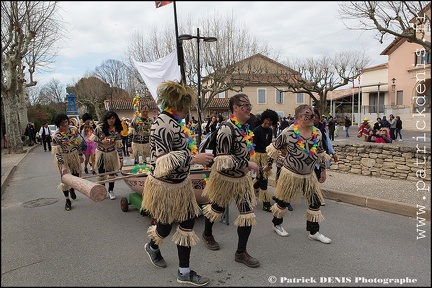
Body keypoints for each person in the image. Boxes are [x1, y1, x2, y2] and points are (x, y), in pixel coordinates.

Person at [141, 81, 213, 286]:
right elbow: (163, 160)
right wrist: (193, 159)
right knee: (168, 224)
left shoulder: (175, 122)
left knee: (182, 223)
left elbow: (177, 152)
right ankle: (180, 268)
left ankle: (165, 256)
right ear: (177, 104)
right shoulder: (163, 124)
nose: (188, 109)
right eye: (186, 105)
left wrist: (193, 157)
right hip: (165, 186)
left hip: (180, 184)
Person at [201, 93, 260, 268]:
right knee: (216, 208)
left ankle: (241, 253)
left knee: (247, 215)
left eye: (249, 105)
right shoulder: (226, 129)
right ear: (235, 108)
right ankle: (207, 234)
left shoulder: (245, 128)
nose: (249, 108)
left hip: (242, 180)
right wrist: (247, 163)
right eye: (245, 105)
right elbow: (222, 160)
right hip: (224, 179)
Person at [265, 104, 332, 243]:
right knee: (283, 202)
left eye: (314, 115)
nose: (314, 117)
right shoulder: (288, 132)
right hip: (290, 174)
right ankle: (277, 224)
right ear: (301, 117)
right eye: (311, 115)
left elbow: (320, 153)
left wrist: (323, 171)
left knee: (315, 202)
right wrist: (268, 165)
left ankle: (314, 232)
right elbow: (274, 149)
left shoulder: (317, 133)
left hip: (309, 175)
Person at [51, 113, 85, 211]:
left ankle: (72, 188)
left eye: (66, 121)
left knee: (75, 175)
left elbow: (78, 143)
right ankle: (67, 200)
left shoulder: (73, 130)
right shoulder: (56, 135)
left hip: (74, 154)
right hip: (63, 156)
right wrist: (62, 166)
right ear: (59, 125)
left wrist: (80, 154)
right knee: (65, 178)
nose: (65, 124)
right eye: (62, 123)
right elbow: (57, 152)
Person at [89, 111, 123, 200]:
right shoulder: (100, 128)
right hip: (101, 153)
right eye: (109, 118)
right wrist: (101, 141)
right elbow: (93, 138)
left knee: (111, 172)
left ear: (115, 119)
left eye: (113, 118)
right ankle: (102, 190)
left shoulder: (117, 130)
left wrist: (121, 157)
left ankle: (111, 190)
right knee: (101, 172)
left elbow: (119, 145)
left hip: (111, 153)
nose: (111, 120)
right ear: (106, 119)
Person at [251, 109, 279, 212]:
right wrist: (254, 160)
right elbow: (252, 147)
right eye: (267, 120)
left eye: (271, 121)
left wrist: (270, 159)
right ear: (263, 119)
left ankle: (251, 189)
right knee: (264, 180)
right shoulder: (256, 130)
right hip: (257, 157)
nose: (268, 122)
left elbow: (269, 145)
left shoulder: (270, 131)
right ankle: (266, 204)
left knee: (261, 179)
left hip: (266, 157)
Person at [313, 108, 338, 206]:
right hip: (310, 157)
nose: (314, 119)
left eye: (316, 117)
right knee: (313, 177)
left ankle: (312, 194)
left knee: (318, 177)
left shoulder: (322, 130)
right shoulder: (307, 129)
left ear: (319, 118)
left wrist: (333, 153)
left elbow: (327, 142)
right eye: (312, 116)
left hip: (320, 157)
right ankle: (317, 197)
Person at [275, 146, 293, 211]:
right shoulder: (280, 158)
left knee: (288, 188)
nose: (286, 151)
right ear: (281, 150)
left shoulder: (289, 158)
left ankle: (286, 201)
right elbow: (278, 168)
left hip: (288, 175)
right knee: (282, 188)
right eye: (285, 149)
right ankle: (282, 201)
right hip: (281, 175)